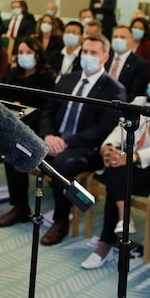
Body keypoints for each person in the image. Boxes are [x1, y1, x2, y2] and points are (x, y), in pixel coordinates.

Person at [81, 65, 150, 269]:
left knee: (117, 173)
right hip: (126, 163)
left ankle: (105, 244)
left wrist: (131, 157)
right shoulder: (139, 102)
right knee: (117, 170)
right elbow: (120, 129)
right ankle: (124, 220)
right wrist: (108, 147)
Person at [34, 35, 127, 245]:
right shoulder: (67, 79)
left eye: (93, 53)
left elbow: (104, 129)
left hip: (87, 146)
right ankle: (19, 206)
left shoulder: (114, 89)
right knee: (20, 147)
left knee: (61, 165)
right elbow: (48, 111)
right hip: (55, 138)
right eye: (85, 51)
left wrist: (67, 142)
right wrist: (49, 136)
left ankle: (61, 220)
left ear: (105, 57)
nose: (87, 56)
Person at [0, 38, 57, 228]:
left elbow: (47, 110)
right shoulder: (14, 74)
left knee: (14, 149)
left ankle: (20, 207)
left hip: (37, 129)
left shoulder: (47, 78)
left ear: (37, 55)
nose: (23, 56)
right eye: (20, 52)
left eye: (28, 52)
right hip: (13, 124)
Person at [106, 25, 149, 101]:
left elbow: (135, 93)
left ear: (132, 41)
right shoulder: (105, 58)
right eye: (115, 37)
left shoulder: (140, 64)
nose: (118, 40)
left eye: (122, 37)